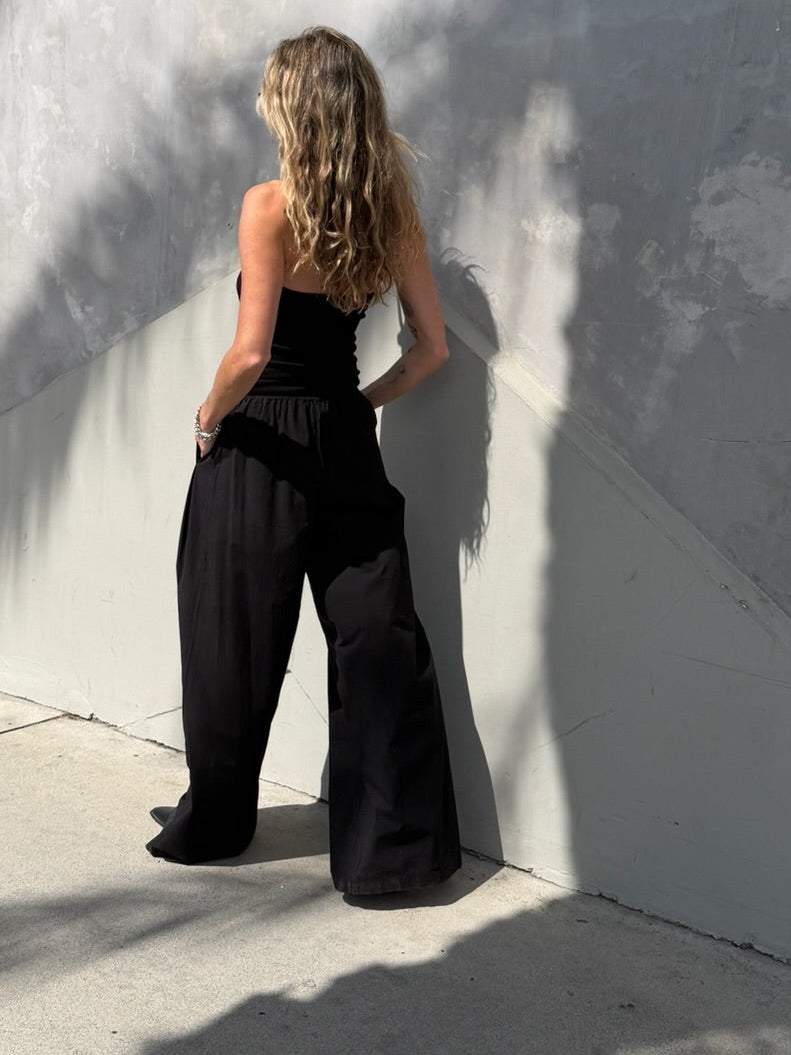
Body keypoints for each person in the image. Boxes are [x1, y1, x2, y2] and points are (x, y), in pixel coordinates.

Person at [145, 25, 462, 895]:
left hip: (259, 444)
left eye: (266, 92)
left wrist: (208, 418)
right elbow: (432, 348)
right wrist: (354, 408)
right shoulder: (390, 213)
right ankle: (390, 852)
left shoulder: (267, 205)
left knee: (232, 636)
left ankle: (216, 819)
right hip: (344, 441)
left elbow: (249, 354)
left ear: (291, 107)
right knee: (374, 635)